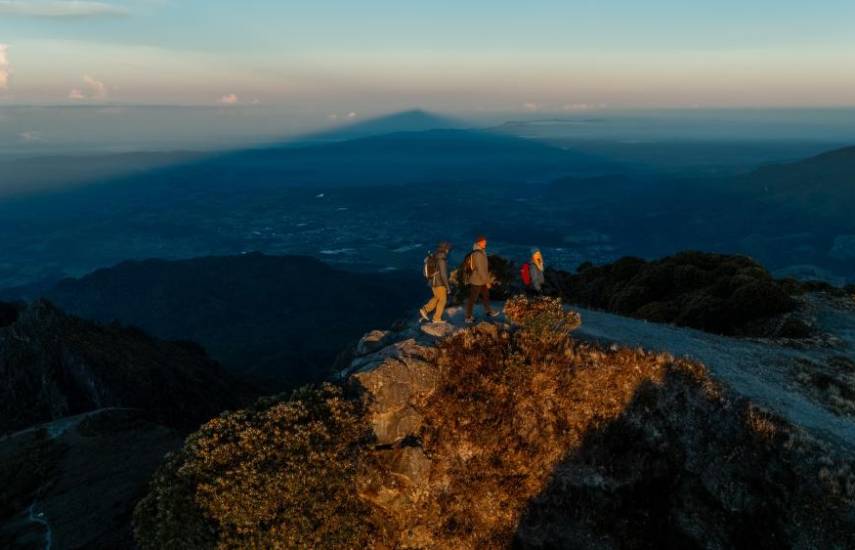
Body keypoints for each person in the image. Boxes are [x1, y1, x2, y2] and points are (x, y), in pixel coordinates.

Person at [465, 235, 499, 323]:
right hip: (477, 280)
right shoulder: (478, 254)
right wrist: (487, 282)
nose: (485, 243)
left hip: (481, 279)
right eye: (484, 242)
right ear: (479, 243)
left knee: (486, 296)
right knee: (472, 299)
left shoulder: (481, 251)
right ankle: (468, 317)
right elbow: (481, 269)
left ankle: (488, 311)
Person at [420, 241, 452, 323]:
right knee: (443, 300)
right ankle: (436, 318)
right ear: (445, 249)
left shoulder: (435, 256)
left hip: (432, 281)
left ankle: (425, 310)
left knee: (437, 297)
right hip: (439, 283)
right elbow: (443, 275)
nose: (449, 250)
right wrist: (448, 287)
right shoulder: (442, 259)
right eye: (448, 248)